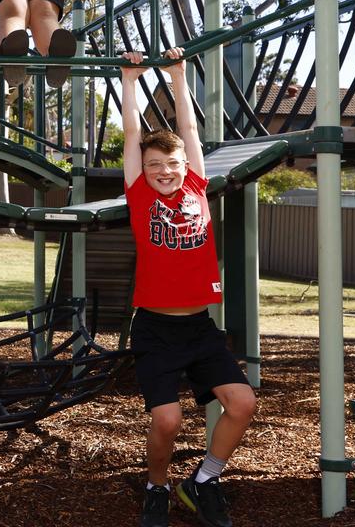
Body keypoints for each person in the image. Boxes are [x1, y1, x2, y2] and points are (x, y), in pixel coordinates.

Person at [120, 47, 258, 527]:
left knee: (242, 403)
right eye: (155, 163)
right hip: (156, 330)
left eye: (171, 162)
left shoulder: (197, 185)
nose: (164, 170)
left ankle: (203, 480)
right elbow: (134, 134)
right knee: (168, 421)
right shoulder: (139, 194)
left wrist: (179, 76)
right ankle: (157, 486)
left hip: (200, 328)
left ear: (185, 165)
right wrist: (131, 81)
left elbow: (192, 131)